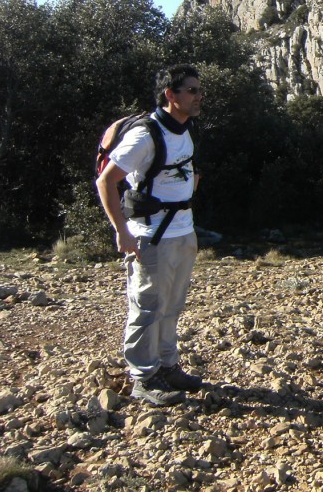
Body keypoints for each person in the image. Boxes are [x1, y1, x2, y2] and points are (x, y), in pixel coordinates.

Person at [96, 64, 204, 406]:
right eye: (192, 90)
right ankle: (144, 377)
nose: (199, 96)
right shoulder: (145, 135)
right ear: (171, 95)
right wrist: (121, 231)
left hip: (183, 231)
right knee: (147, 307)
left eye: (200, 90)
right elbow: (106, 181)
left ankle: (168, 366)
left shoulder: (184, 129)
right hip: (151, 236)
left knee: (172, 305)